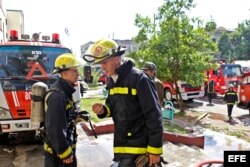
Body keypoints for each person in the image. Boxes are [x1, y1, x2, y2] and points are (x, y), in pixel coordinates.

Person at [83, 39, 163, 167]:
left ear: (116, 58)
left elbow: (154, 115)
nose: (102, 67)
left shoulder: (140, 79)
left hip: (140, 150)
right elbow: (112, 106)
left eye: (104, 62)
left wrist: (154, 149)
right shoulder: (113, 80)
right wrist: (103, 110)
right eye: (100, 63)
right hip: (122, 147)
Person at [44, 53, 80, 167]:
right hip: (58, 156)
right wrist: (65, 153)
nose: (78, 74)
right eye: (75, 71)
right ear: (64, 73)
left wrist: (78, 116)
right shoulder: (57, 96)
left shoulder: (65, 92)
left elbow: (65, 118)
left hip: (62, 151)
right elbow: (55, 128)